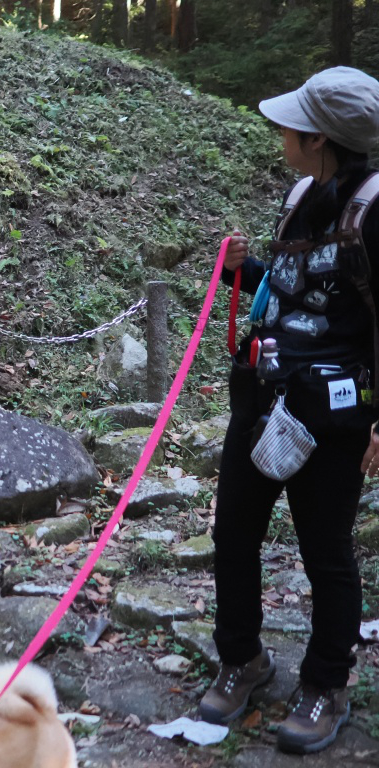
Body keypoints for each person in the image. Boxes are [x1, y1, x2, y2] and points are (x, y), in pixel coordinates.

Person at [197, 66, 379, 755]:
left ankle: (326, 683)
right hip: (264, 396)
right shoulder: (300, 194)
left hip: (334, 415)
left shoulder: (374, 210)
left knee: (325, 551)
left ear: (319, 138)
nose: (281, 132)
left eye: (292, 124)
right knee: (233, 533)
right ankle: (241, 658)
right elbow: (292, 285)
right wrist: (240, 271)